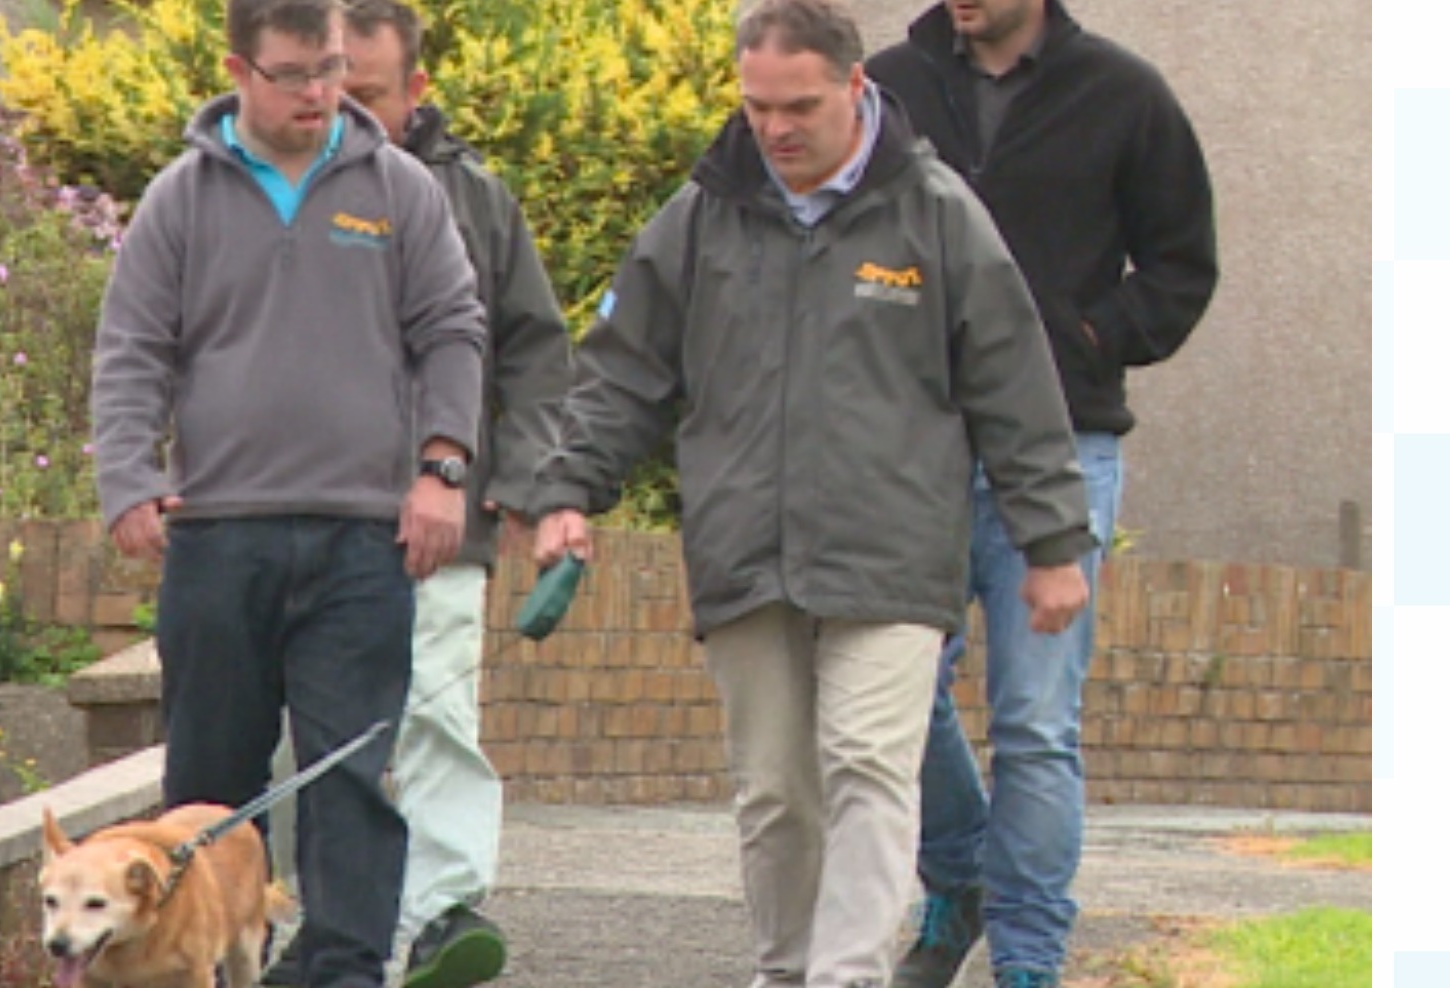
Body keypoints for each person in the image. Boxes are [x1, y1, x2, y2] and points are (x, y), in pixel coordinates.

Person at [528, 2, 1095, 985]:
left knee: (868, 767)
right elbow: (622, 371)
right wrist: (569, 489)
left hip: (890, 556)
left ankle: (846, 977)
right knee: (776, 792)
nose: (776, 129)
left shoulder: (936, 213)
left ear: (854, 87)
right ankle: (788, 969)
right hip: (745, 551)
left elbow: (1016, 386)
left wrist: (1050, 545)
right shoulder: (700, 216)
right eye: (757, 107)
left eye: (799, 107)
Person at [89, 0, 488, 985]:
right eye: (295, 74)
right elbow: (133, 348)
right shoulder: (180, 199)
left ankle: (345, 969)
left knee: (349, 774)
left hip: (362, 541)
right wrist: (129, 479)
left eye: (333, 70)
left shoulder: (398, 189)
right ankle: (198, 964)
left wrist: (442, 469)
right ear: (239, 71)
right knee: (208, 791)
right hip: (217, 537)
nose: (320, 93)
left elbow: (452, 328)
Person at [865, 3, 1218, 985]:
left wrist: (1091, 337)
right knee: (893, 688)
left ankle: (1027, 958)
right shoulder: (889, 87)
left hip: (1063, 441)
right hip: (913, 445)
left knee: (1035, 721)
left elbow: (1182, 263)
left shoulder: (1123, 94)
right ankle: (959, 873)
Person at [261, 2, 573, 987]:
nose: (340, 112)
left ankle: (442, 915)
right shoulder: (258, 187)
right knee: (298, 739)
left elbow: (536, 352)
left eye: (367, 94)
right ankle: (310, 921)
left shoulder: (476, 201)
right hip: (294, 509)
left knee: (435, 714)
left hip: (441, 513)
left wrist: (519, 481)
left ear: (418, 90)